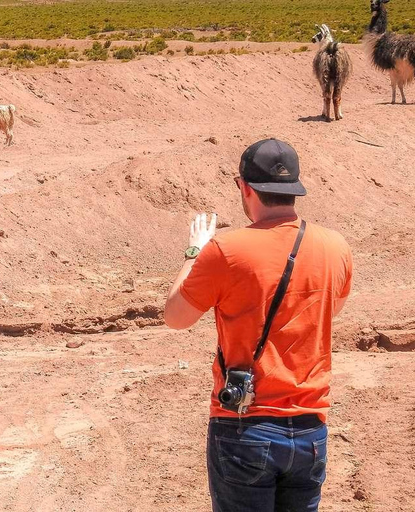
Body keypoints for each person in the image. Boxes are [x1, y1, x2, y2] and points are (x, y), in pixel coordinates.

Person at [164, 139, 353, 512]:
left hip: (245, 429)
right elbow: (331, 311)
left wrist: (194, 252)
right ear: (294, 190)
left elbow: (175, 317)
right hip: (311, 430)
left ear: (245, 187)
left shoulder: (225, 250)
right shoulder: (336, 246)